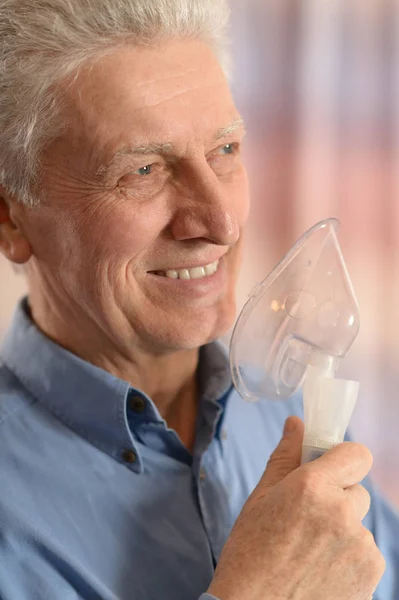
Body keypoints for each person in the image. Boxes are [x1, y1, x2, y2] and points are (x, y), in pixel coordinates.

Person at [0, 1, 396, 599]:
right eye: (143, 170)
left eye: (226, 151)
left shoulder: (283, 408)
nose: (219, 221)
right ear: (10, 217)